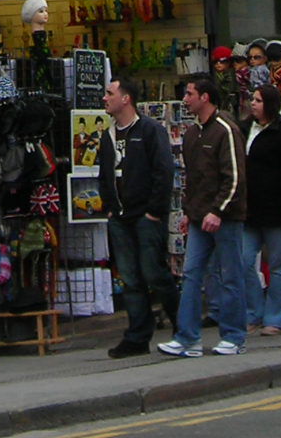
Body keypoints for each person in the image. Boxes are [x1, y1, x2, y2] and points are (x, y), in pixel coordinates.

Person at [158, 75, 249, 357]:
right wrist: (189, 211)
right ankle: (188, 337)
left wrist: (217, 211)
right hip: (199, 216)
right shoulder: (192, 133)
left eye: (189, 94)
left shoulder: (225, 130)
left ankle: (234, 336)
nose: (185, 100)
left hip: (226, 217)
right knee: (192, 273)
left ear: (205, 97)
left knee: (230, 274)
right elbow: (192, 178)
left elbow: (234, 177)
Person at [101, 76, 176, 358]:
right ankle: (137, 337)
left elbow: (163, 170)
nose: (105, 98)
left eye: (110, 93)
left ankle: (181, 327)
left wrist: (155, 211)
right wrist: (109, 206)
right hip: (120, 217)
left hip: (145, 215)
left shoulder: (149, 130)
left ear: (126, 98)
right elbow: (104, 173)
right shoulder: (108, 135)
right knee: (131, 280)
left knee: (155, 274)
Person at [243, 83, 281, 335]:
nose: (253, 104)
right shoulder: (245, 127)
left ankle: (275, 318)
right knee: (244, 261)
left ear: (270, 103)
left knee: (278, 264)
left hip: (276, 206)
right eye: (252, 99)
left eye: (258, 100)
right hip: (249, 208)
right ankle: (253, 312)